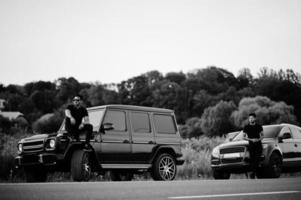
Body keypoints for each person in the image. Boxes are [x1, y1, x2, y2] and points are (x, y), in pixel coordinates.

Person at [243, 113, 263, 179]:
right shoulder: (246, 127)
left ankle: (253, 173)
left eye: (252, 118)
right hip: (251, 145)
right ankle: (253, 174)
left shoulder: (259, 126)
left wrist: (257, 140)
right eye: (249, 118)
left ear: (255, 118)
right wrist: (251, 139)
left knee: (257, 159)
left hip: (258, 145)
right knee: (252, 160)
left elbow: (262, 136)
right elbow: (244, 137)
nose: (250, 119)